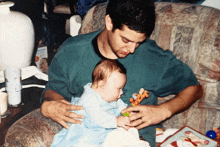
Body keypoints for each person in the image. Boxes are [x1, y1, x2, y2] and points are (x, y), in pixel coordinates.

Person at [40, 0, 203, 146]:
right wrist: (48, 106)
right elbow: (52, 91)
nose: (132, 49)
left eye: (139, 42)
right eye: (126, 40)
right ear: (109, 22)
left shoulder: (153, 58)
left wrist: (164, 110)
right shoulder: (72, 52)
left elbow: (194, 89)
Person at [51, 59, 132, 146]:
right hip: (84, 132)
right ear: (102, 85)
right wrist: (116, 121)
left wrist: (128, 115)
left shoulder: (112, 97)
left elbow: (122, 108)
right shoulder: (88, 98)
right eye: (119, 88)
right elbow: (97, 116)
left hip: (102, 131)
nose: (122, 92)